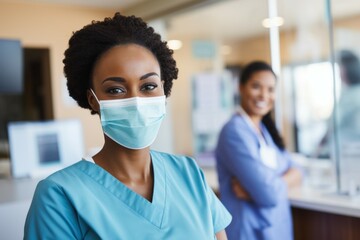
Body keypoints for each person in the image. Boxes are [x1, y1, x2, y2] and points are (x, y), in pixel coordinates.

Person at [24, 12, 231, 239]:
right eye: (116, 90)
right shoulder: (60, 196)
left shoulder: (188, 173)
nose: (136, 102)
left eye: (148, 86)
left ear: (163, 88)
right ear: (93, 98)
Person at [215, 61, 302, 240]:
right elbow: (268, 194)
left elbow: (298, 170)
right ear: (241, 88)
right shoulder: (234, 132)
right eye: (256, 86)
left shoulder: (265, 131)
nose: (264, 95)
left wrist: (263, 188)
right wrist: (269, 188)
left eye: (270, 89)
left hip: (276, 229)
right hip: (249, 231)